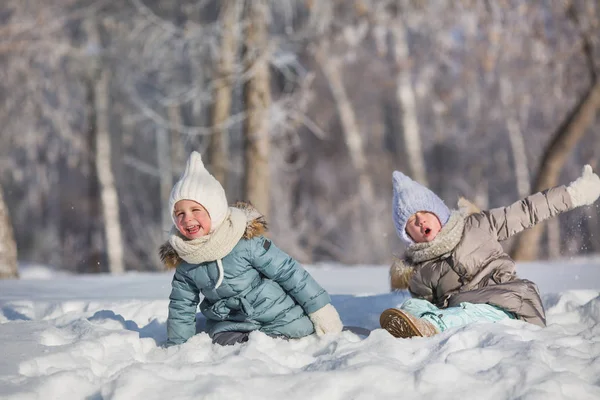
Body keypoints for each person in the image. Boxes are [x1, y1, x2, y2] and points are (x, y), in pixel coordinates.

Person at [380, 165, 600, 338]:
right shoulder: (420, 272)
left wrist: (574, 194)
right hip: (460, 314)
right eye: (411, 221)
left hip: (506, 305)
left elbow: (526, 211)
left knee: (466, 312)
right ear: (408, 235)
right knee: (412, 306)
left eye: (423, 213)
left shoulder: (478, 225)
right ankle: (419, 327)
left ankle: (434, 327)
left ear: (438, 212)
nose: (419, 222)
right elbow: (432, 304)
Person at [161, 151, 343, 346]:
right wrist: (179, 346)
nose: (187, 218)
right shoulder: (186, 258)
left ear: (214, 211)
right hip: (232, 324)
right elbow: (182, 305)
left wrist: (320, 310)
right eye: (179, 213)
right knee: (223, 343)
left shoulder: (245, 242)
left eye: (195, 210)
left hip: (276, 314)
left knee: (296, 331)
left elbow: (289, 272)